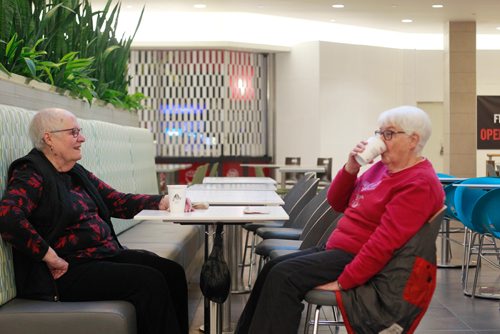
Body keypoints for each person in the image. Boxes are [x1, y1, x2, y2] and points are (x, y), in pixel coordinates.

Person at [235, 105, 445, 334]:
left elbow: (385, 243)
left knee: (284, 278)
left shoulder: (418, 183)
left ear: (413, 140)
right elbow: (336, 202)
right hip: (337, 249)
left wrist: (346, 281)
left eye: (389, 134)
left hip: (357, 257)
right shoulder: (381, 170)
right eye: (379, 133)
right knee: (272, 268)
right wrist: (351, 167)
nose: (381, 141)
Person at [0, 108, 192, 334]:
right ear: (48, 138)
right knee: (148, 282)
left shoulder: (75, 172)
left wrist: (163, 201)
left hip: (101, 255)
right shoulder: (31, 172)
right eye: (73, 132)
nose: (82, 138)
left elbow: (116, 200)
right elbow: (8, 217)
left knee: (172, 272)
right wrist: (51, 257)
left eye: (79, 131)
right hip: (66, 270)